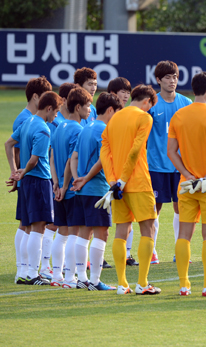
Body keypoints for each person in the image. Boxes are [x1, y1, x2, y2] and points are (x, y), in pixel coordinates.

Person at [167, 72, 206, 297]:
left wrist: (186, 173)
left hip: (187, 184)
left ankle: (184, 285)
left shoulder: (179, 116)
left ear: (194, 90)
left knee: (184, 234)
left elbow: (171, 152)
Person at [100, 84, 161, 295]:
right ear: (147, 102)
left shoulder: (114, 118)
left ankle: (121, 284)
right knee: (148, 229)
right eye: (151, 106)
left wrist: (113, 181)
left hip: (116, 186)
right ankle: (143, 283)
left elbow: (104, 151)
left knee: (120, 231)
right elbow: (136, 150)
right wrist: (124, 180)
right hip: (137, 183)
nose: (150, 111)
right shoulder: (144, 118)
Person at [5, 91, 63, 285]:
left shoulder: (27, 122)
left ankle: (22, 271)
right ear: (49, 108)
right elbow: (34, 159)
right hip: (39, 181)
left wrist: (16, 171)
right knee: (38, 228)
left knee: (27, 227)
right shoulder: (43, 129)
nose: (56, 116)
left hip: (27, 183)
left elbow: (8, 143)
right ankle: (31, 273)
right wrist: (22, 171)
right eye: (55, 112)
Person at [70, 92, 123, 291]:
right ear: (110, 110)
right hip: (97, 189)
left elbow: (73, 157)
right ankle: (94, 281)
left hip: (81, 190)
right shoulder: (105, 130)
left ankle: (82, 278)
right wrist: (86, 178)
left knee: (84, 233)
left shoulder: (85, 128)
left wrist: (78, 178)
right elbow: (103, 160)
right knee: (101, 234)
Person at [148, 61, 193, 265]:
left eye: (175, 76)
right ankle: (152, 251)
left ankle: (180, 251)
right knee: (154, 208)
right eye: (167, 77)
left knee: (181, 207)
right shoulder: (151, 104)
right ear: (158, 80)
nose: (172, 80)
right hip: (156, 164)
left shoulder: (186, 103)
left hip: (180, 166)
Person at [50, 87, 91, 288]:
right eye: (88, 106)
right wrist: (66, 186)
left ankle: (57, 275)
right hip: (71, 190)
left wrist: (56, 183)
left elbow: (51, 157)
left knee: (62, 233)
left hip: (57, 187)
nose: (90, 110)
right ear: (78, 107)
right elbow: (69, 161)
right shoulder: (78, 130)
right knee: (75, 234)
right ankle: (70, 277)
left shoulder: (59, 127)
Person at [107, 76, 138, 266]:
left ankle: (127, 254)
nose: (126, 95)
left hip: (126, 174)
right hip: (110, 174)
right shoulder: (107, 114)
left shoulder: (128, 114)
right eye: (122, 91)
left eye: (128, 91)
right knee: (105, 219)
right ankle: (97, 257)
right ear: (113, 94)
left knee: (129, 216)